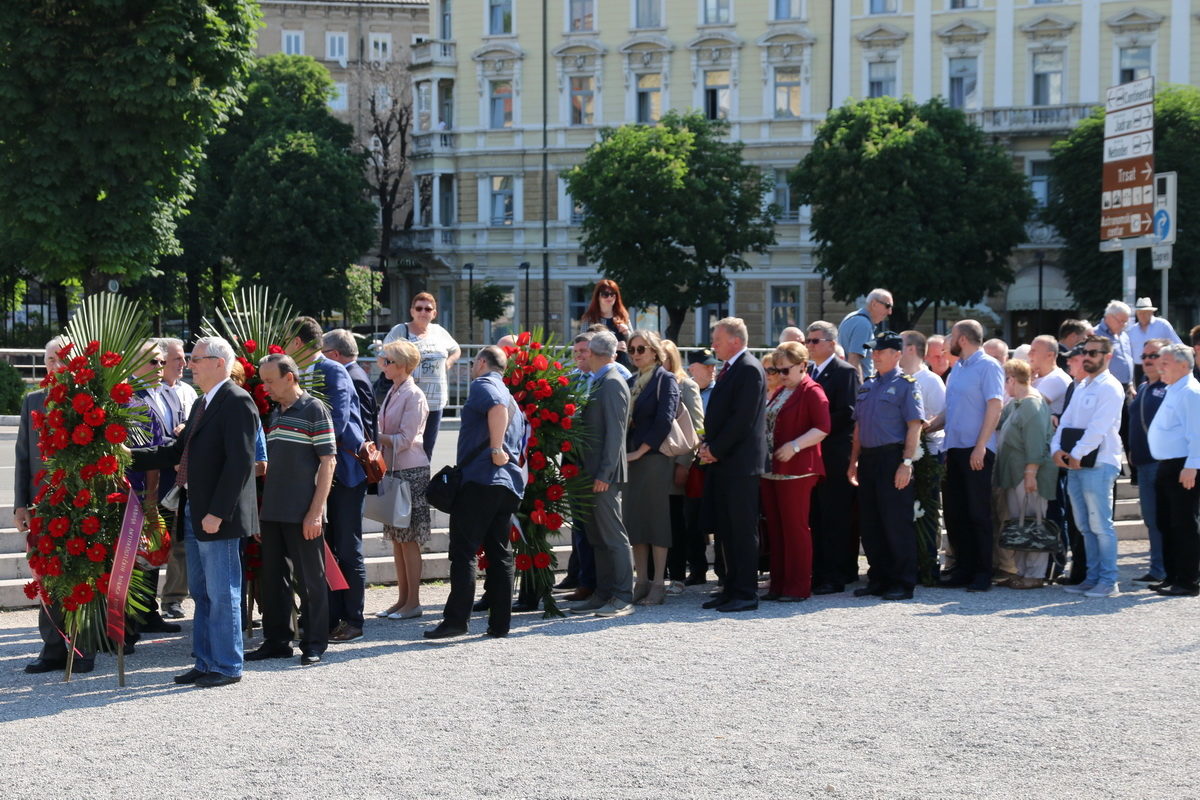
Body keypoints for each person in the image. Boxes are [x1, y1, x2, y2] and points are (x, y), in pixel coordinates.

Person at [131, 336, 259, 687]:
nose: (190, 364)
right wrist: (127, 456)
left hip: (218, 515)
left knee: (223, 592)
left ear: (219, 362)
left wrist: (218, 512)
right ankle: (205, 661)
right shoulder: (203, 402)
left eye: (197, 358)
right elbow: (176, 452)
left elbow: (240, 464)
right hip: (195, 509)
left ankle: (228, 665)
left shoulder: (237, 401)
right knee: (202, 593)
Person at [425, 346, 528, 640]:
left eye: (473, 363)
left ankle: (457, 620)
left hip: (481, 480)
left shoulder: (485, 385)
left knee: (464, 553)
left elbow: (494, 407)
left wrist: (495, 449)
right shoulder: (512, 397)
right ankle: (500, 624)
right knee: (500, 554)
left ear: (481, 363)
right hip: (506, 485)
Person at [248, 354, 334, 666]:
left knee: (310, 580)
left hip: (303, 513)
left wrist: (315, 511)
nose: (265, 387)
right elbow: (273, 464)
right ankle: (276, 641)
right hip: (272, 511)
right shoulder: (274, 413)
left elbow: (329, 461)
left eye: (270, 380)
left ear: (290, 377)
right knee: (273, 580)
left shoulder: (314, 409)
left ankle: (314, 644)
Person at [18, 337, 96, 674]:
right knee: (46, 576)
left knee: (81, 576)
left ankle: (83, 646)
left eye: (60, 359)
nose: (54, 365)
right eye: (50, 359)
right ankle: (51, 647)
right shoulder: (33, 401)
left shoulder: (87, 401)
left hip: (80, 507)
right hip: (42, 506)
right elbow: (23, 456)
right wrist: (20, 504)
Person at [287, 317, 367, 643]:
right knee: (325, 548)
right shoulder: (297, 374)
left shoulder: (333, 371)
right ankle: (327, 617)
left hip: (344, 473)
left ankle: (353, 619)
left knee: (348, 548)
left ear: (297, 342)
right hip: (315, 475)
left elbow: (337, 421)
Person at [847, 333, 925, 600]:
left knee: (896, 522)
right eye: (873, 351)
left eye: (880, 351)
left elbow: (914, 426)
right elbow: (858, 426)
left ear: (897, 354)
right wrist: (853, 460)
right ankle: (878, 578)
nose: (875, 355)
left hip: (892, 458)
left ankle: (903, 582)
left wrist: (906, 463)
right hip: (868, 459)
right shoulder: (868, 385)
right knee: (871, 523)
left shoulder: (906, 385)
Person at [929, 319, 1005, 593]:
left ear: (962, 338)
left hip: (976, 449)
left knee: (978, 512)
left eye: (952, 336)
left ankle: (983, 572)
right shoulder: (957, 369)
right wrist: (929, 426)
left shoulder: (989, 366)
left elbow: (995, 406)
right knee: (955, 512)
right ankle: (963, 568)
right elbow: (950, 410)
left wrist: (981, 445)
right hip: (954, 449)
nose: (948, 342)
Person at [699, 317, 767, 613]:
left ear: (735, 341)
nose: (713, 344)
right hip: (725, 462)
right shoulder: (731, 369)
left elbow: (742, 420)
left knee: (741, 530)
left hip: (740, 465)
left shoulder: (749, 369)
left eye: (717, 339)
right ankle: (730, 586)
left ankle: (745, 592)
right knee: (726, 529)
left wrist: (715, 449)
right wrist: (708, 447)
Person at [1051, 335, 1126, 599]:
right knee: (1084, 525)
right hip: (1077, 464)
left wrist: (1075, 454)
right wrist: (1056, 450)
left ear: (1108, 357)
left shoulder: (1111, 387)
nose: (1087, 357)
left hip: (1099, 464)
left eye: (1094, 353)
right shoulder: (1083, 386)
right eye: (1086, 352)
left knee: (1100, 525)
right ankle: (1092, 578)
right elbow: (1066, 421)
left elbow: (1099, 427)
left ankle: (1109, 580)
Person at [567, 331, 635, 617]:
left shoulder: (611, 383)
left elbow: (616, 435)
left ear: (594, 354)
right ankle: (603, 593)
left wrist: (605, 473)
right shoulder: (601, 381)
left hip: (602, 474)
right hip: (590, 472)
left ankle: (621, 596)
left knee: (612, 536)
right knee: (597, 536)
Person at [761, 341, 829, 601]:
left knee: (795, 528)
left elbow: (823, 427)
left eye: (786, 370)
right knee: (776, 529)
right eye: (777, 370)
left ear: (803, 366)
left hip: (798, 469)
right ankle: (778, 585)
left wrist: (795, 445)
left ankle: (798, 587)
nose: (781, 375)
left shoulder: (812, 391)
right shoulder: (782, 391)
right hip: (773, 468)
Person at [373, 339, 431, 620]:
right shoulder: (396, 390)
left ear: (404, 366)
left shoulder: (414, 394)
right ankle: (402, 599)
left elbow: (407, 440)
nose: (383, 364)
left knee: (408, 538)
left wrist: (375, 437)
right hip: (394, 469)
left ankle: (414, 602)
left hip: (410, 471)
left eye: (389, 361)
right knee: (397, 538)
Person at [623, 330, 680, 606]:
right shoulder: (631, 380)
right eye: (632, 349)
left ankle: (659, 583)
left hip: (654, 458)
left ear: (655, 352)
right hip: (632, 458)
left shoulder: (665, 379)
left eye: (641, 349)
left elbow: (664, 420)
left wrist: (640, 451)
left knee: (656, 520)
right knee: (635, 520)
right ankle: (641, 580)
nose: (635, 354)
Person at [805, 321, 862, 594]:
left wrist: (816, 425)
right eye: (808, 341)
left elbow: (849, 413)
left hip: (834, 453)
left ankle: (837, 575)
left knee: (835, 516)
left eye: (815, 341)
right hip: (812, 454)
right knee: (816, 515)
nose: (809, 345)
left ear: (831, 343)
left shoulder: (844, 372)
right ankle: (820, 571)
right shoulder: (809, 372)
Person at [993, 360, 1058, 589]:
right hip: (1014, 474)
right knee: (1019, 523)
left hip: (1029, 475)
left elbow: (1037, 442)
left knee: (1033, 521)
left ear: (1011, 379)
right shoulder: (1016, 404)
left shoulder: (1033, 404)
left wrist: (1031, 472)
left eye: (1005, 381)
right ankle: (1020, 572)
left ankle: (1035, 574)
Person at [1146, 344, 1200, 597]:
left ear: (1183, 364)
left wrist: (1192, 465)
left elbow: (1197, 433)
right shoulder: (1174, 390)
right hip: (1167, 465)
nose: (1159, 366)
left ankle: (1188, 580)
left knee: (1183, 524)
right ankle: (1172, 575)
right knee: (1166, 523)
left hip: (1183, 466)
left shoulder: (1191, 392)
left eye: (1165, 362)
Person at [384, 292, 460, 460]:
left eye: (428, 309)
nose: (423, 312)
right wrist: (395, 375)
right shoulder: (400, 330)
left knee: (427, 449)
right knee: (406, 445)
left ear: (434, 313)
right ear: (412, 311)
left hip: (435, 400)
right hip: (408, 398)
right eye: (419, 308)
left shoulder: (439, 331)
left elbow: (456, 349)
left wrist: (449, 363)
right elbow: (383, 357)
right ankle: (401, 483)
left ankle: (423, 484)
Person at [156, 337, 198, 620]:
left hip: (183, 478)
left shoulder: (189, 392)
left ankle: (173, 598)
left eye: (184, 358)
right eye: (176, 359)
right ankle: (143, 604)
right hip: (156, 478)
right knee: (154, 540)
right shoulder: (149, 393)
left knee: (181, 540)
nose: (183, 364)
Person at [661, 339, 706, 591]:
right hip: (654, 465)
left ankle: (678, 574)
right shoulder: (648, 382)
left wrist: (684, 463)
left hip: (676, 463)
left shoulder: (686, 384)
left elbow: (696, 428)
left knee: (677, 521)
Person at [900, 330, 946, 575]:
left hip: (928, 453)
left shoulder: (930, 380)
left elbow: (942, 414)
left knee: (926, 510)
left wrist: (922, 428)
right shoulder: (897, 377)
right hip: (904, 452)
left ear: (911, 349)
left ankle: (928, 564)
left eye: (900, 344)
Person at [1128, 338, 1170, 584]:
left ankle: (1167, 568)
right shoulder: (1143, 387)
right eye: (1144, 356)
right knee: (1150, 517)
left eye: (1153, 355)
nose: (1147, 360)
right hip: (1143, 463)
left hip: (1162, 462)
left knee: (1164, 517)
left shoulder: (1171, 387)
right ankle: (1158, 567)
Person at [322, 328, 379, 444]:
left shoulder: (354, 379)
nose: (320, 358)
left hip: (355, 456)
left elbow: (363, 425)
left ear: (335, 354)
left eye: (322, 353)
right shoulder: (354, 373)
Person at [838, 288, 894, 379]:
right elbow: (854, 360)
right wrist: (860, 390)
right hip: (859, 385)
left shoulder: (854, 317)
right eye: (888, 306)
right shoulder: (863, 324)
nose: (890, 312)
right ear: (874, 304)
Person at [580, 279, 633, 369]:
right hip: (599, 367)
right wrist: (613, 347)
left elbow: (633, 343)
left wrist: (626, 332)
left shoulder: (622, 316)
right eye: (605, 294)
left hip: (623, 366)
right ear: (598, 297)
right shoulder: (590, 319)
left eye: (613, 294)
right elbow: (584, 344)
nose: (609, 297)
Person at [1128, 297, 1181, 384]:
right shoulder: (1132, 330)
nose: (1142, 315)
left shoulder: (1162, 325)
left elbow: (1176, 344)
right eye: (1139, 312)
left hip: (1160, 366)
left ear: (1151, 312)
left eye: (1145, 312)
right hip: (1139, 369)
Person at [1094, 300, 1136, 397]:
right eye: (1121, 321)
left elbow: (1128, 359)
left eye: (1125, 322)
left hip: (1126, 389)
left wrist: (1130, 384)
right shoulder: (1095, 335)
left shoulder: (1124, 335)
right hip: (1105, 388)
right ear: (1108, 317)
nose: (1123, 325)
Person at [1029, 335, 1071, 419]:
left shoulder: (1057, 378)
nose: (1029, 354)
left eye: (1033, 351)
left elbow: (1027, 407)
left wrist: (1024, 382)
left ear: (1050, 355)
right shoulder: (1034, 377)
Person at [687, 348, 718, 413]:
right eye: (707, 366)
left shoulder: (721, 390)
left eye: (713, 366)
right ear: (692, 369)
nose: (712, 370)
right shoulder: (683, 390)